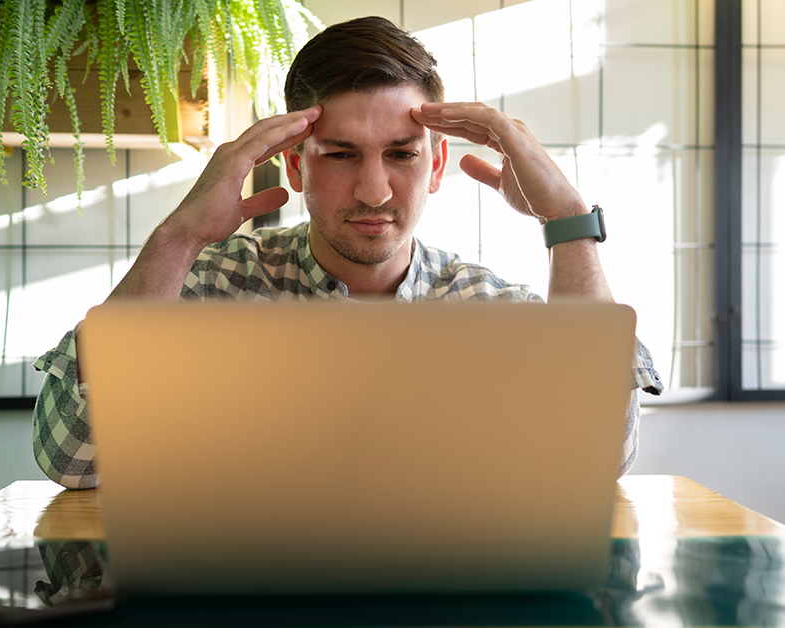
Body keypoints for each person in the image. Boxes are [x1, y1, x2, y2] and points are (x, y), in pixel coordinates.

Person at [32, 16, 663, 490]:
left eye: (401, 153)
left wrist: (568, 221)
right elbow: (73, 457)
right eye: (340, 154)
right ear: (294, 165)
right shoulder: (207, 286)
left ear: (436, 163)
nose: (374, 190)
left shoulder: (487, 306)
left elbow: (594, 457)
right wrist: (178, 237)